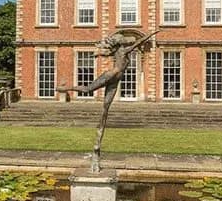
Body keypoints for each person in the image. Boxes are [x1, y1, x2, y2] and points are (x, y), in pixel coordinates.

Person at [59, 30, 158, 172]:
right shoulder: (123, 51)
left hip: (115, 80)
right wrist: (152, 33)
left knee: (105, 108)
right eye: (123, 41)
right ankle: (67, 88)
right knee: (88, 90)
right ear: (120, 43)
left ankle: (97, 145)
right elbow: (138, 42)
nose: (126, 42)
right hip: (111, 75)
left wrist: (98, 53)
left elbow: (106, 52)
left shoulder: (118, 51)